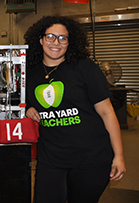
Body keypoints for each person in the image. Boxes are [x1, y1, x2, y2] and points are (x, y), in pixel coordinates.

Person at [24, 16, 126, 203]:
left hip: (91, 158)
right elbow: (17, 100)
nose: (56, 42)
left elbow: (107, 112)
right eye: (50, 37)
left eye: (63, 38)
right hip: (51, 158)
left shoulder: (85, 68)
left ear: (70, 43)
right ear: (40, 40)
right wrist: (27, 108)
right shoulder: (29, 72)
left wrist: (118, 155)